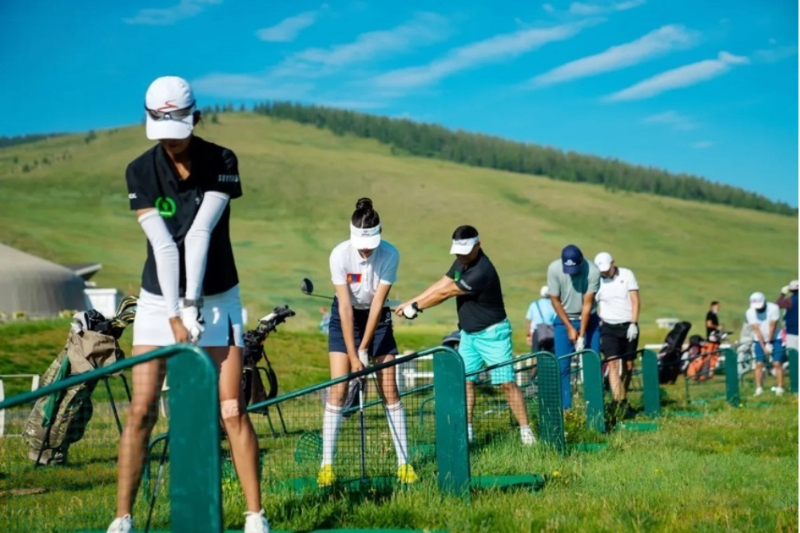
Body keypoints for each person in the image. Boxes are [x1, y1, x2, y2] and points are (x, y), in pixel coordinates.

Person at [109, 76, 269, 533]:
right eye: (162, 133)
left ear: (194, 119)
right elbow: (164, 246)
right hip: (160, 301)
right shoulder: (139, 170)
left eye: (177, 132)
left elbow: (199, 235)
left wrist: (196, 305)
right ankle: (122, 518)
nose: (171, 145)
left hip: (219, 297)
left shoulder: (221, 160)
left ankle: (255, 517)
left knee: (232, 409)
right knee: (141, 409)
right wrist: (178, 313)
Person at [396, 225, 535, 446]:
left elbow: (446, 292)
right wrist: (411, 302)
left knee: (506, 383)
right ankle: (467, 431)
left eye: (466, 251)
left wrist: (417, 307)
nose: (461, 255)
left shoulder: (482, 270)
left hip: (493, 335)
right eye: (458, 251)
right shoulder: (462, 260)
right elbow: (442, 283)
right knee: (466, 382)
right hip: (468, 335)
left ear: (478, 246)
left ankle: (526, 432)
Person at [318, 198, 417, 487]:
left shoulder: (390, 255)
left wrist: (364, 348)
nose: (365, 249)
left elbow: (377, 304)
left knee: (389, 390)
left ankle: (404, 464)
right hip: (345, 317)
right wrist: (352, 354)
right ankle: (327, 465)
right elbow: (346, 308)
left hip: (377, 317)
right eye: (361, 243)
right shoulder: (339, 255)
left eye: (370, 243)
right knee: (338, 389)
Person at [547, 244, 601, 409]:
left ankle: (595, 411)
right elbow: (555, 300)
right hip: (564, 320)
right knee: (562, 365)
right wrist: (570, 327)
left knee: (593, 363)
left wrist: (582, 335)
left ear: (582, 260)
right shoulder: (554, 269)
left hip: (589, 321)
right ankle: (565, 409)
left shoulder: (593, 271)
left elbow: (587, 304)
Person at [593, 252, 639, 410]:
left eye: (607, 268)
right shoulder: (597, 282)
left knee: (628, 365)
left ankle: (623, 397)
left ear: (613, 263)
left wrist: (633, 322)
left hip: (628, 326)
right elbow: (591, 303)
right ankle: (618, 401)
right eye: (602, 270)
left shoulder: (626, 275)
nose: (605, 272)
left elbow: (635, 300)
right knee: (612, 363)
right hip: (608, 327)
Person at [746, 292, 785, 396]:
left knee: (777, 363)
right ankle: (759, 388)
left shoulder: (773, 308)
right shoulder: (750, 312)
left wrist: (769, 343)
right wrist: (764, 346)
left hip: (776, 338)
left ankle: (780, 387)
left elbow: (772, 326)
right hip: (759, 340)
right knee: (759, 363)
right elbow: (757, 331)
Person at [525, 285, 556, 352]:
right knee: (550, 354)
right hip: (550, 332)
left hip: (537, 332)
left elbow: (529, 321)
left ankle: (536, 363)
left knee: (535, 353)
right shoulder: (554, 305)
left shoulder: (534, 304)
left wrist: (528, 335)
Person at [776, 280, 798, 351]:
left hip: (792, 331)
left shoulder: (790, 300)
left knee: (792, 354)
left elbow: (777, 305)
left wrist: (782, 294)